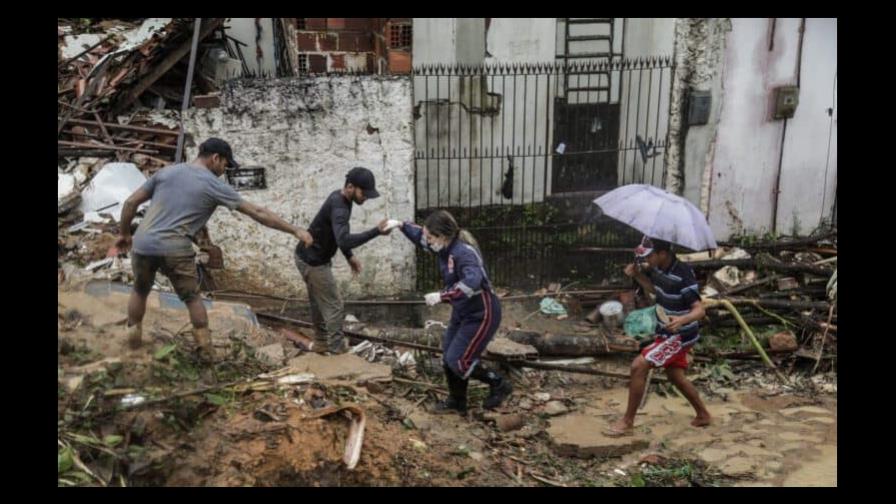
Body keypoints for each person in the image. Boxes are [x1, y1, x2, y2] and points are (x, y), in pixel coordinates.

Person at [115, 138, 313, 361]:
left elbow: (130, 203)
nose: (223, 171)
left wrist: (124, 234)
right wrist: (295, 230)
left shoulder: (166, 172)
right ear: (215, 158)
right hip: (174, 246)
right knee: (192, 298)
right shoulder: (213, 185)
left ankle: (133, 344)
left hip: (143, 244)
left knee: (140, 291)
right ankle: (206, 351)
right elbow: (258, 213)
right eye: (225, 165)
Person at [398, 210, 512, 414]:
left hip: (482, 314)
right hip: (462, 311)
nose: (427, 241)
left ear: (442, 236)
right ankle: (457, 402)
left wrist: (443, 296)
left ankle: (498, 383)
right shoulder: (443, 247)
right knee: (448, 358)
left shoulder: (463, 253)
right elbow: (419, 236)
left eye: (431, 237)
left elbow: (472, 281)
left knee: (459, 360)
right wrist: (399, 225)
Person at [605, 236, 711, 436]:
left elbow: (700, 310)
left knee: (638, 366)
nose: (647, 260)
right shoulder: (658, 269)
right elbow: (656, 290)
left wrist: (682, 320)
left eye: (650, 256)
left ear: (663, 253)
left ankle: (627, 421)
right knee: (675, 375)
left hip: (679, 335)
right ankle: (703, 414)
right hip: (666, 330)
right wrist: (637, 275)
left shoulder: (683, 274)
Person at [295, 167, 392, 355]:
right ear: (350, 187)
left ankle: (322, 342)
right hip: (313, 261)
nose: (366, 197)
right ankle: (337, 350)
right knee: (334, 305)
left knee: (319, 302)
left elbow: (337, 235)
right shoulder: (340, 207)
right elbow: (344, 239)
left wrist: (349, 256)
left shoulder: (341, 199)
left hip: (307, 256)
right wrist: (376, 232)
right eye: (364, 193)